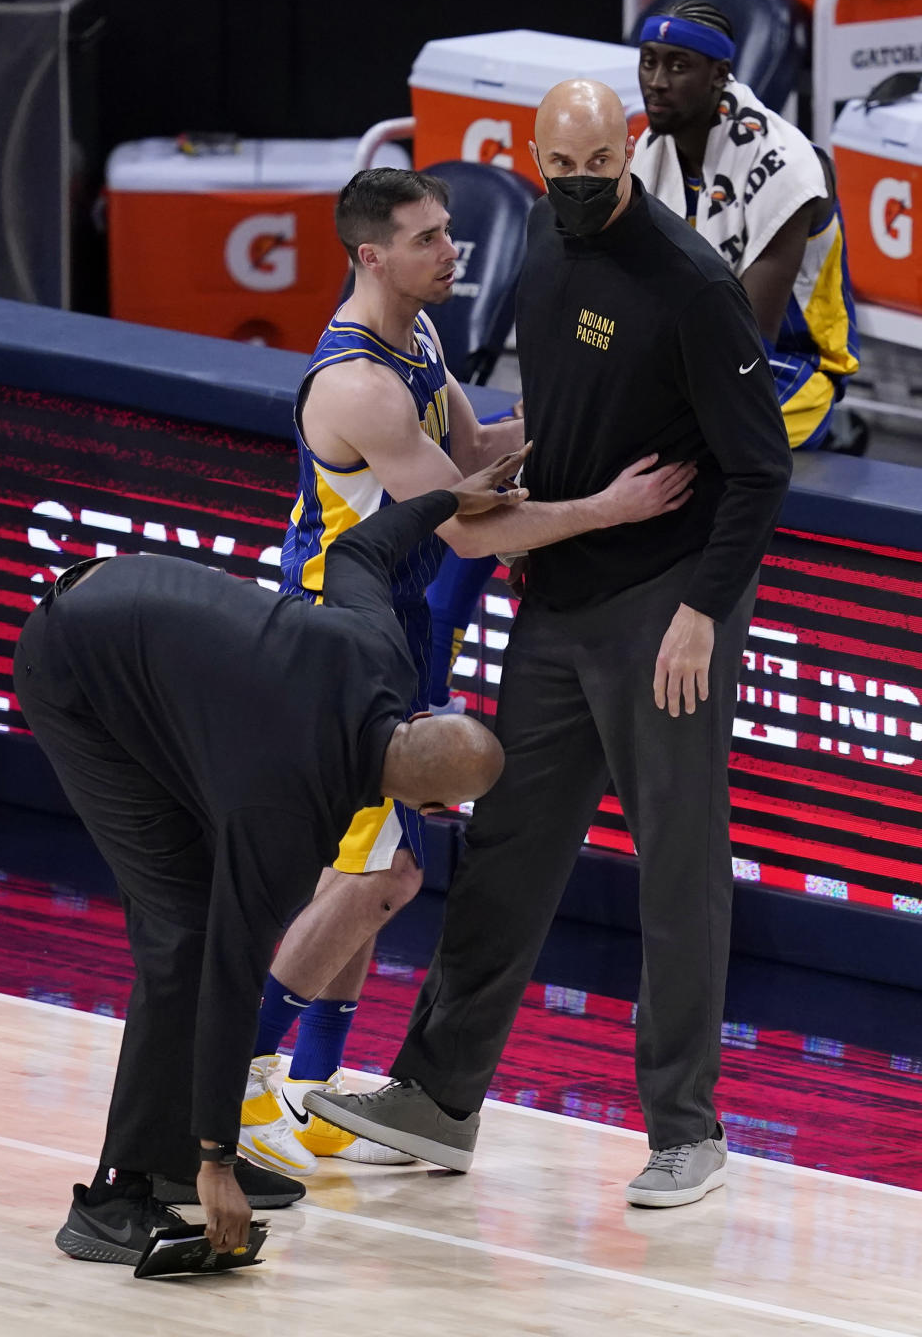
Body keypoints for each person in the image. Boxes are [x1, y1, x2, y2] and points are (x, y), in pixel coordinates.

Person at [304, 79, 793, 1210]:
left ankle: (688, 1129)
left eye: (597, 166)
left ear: (630, 152)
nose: (576, 186)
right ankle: (437, 1097)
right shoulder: (539, 236)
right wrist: (543, 513)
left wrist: (704, 613)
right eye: (558, 167)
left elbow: (760, 471)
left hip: (666, 608)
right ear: (536, 156)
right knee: (509, 849)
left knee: (677, 867)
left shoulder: (692, 284)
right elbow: (564, 416)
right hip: (560, 603)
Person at [241, 166, 698, 1175]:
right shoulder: (356, 383)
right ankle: (238, 1074)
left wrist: (596, 390)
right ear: (373, 257)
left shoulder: (422, 341)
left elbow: (485, 446)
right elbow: (471, 526)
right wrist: (602, 510)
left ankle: (308, 1089)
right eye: (430, 238)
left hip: (398, 643)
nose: (454, 251)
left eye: (450, 232)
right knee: (382, 876)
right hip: (343, 647)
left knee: (369, 870)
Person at [13, 461, 525, 1265]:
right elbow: (228, 971)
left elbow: (359, 552)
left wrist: (449, 502)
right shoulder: (285, 816)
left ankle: (172, 1150)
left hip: (128, 594)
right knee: (183, 932)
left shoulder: (380, 652)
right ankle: (117, 1198)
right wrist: (222, 1159)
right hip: (75, 668)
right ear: (433, 810)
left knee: (195, 908)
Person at [631, 0, 861, 453]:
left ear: (720, 74)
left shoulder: (786, 165)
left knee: (663, 443)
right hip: (684, 354)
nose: (656, 83)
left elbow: (750, 341)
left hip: (787, 365)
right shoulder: (649, 152)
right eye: (648, 63)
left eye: (678, 66)